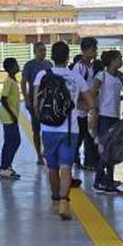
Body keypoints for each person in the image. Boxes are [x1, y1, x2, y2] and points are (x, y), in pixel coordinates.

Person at [34, 41, 96, 221]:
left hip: (48, 129)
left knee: (52, 168)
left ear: (52, 56)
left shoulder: (42, 75)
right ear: (68, 57)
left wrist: (43, 119)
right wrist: (76, 105)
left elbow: (36, 103)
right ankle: (64, 202)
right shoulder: (76, 77)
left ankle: (55, 200)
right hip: (70, 130)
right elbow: (91, 103)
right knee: (66, 167)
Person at [92, 50, 123, 194]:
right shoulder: (101, 75)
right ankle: (98, 181)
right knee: (106, 150)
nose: (121, 61)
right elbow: (93, 92)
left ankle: (108, 182)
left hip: (114, 116)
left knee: (111, 150)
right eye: (119, 59)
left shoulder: (118, 77)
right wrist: (93, 111)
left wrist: (121, 77)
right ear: (112, 61)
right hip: (104, 116)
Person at [71, 36, 99, 171]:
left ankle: (87, 162)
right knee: (80, 138)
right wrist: (82, 104)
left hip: (87, 109)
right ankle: (72, 161)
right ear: (85, 50)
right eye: (93, 49)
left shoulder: (90, 66)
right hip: (79, 111)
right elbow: (76, 88)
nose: (95, 52)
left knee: (87, 137)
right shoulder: (79, 67)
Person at [22, 42, 52, 166]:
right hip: (34, 102)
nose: (43, 53)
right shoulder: (29, 65)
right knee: (36, 129)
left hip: (47, 102)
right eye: (40, 50)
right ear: (35, 52)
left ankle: (46, 150)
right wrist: (26, 99)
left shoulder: (49, 64)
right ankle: (39, 155)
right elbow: (23, 82)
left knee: (48, 128)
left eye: (44, 50)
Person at [0, 58, 22, 180]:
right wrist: (12, 114)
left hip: (12, 116)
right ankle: (4, 167)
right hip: (8, 117)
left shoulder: (13, 80)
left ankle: (7, 165)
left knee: (14, 141)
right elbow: (3, 99)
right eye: (16, 64)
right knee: (11, 141)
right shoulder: (9, 82)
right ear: (11, 68)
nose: (18, 66)